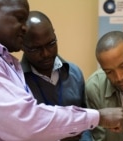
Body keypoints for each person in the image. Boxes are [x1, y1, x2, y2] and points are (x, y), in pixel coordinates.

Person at [0, 0, 123, 140]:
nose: (24, 28)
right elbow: (27, 122)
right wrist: (99, 117)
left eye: (51, 43)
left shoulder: (3, 60)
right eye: (19, 18)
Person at [20, 10, 92, 141]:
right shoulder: (16, 81)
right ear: (22, 46)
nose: (46, 53)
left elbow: (87, 122)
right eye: (36, 49)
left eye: (51, 44)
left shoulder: (74, 73)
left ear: (54, 34)